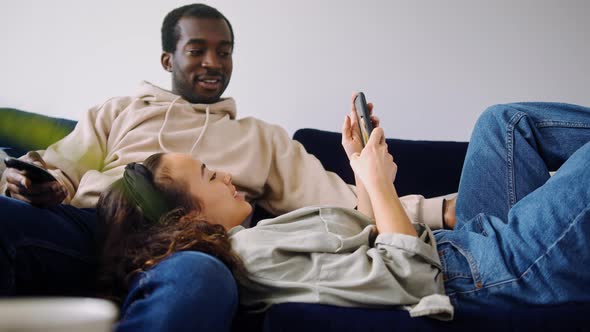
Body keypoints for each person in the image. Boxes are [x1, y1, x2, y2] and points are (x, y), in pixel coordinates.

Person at [0, 3, 451, 331]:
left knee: (202, 278)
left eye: (225, 51)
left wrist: (440, 211)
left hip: (179, 247)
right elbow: (57, 166)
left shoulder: (262, 138)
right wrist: (32, 181)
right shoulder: (120, 110)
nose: (213, 63)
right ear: (168, 59)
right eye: (197, 50)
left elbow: (349, 202)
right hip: (90, 223)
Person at [96, 100, 590, 324]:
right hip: (488, 270)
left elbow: (364, 245)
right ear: (189, 221)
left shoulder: (257, 239)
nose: (226, 175)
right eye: (208, 176)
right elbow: (413, 281)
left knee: (504, 124)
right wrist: (380, 182)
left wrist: (359, 170)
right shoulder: (253, 255)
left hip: (468, 247)